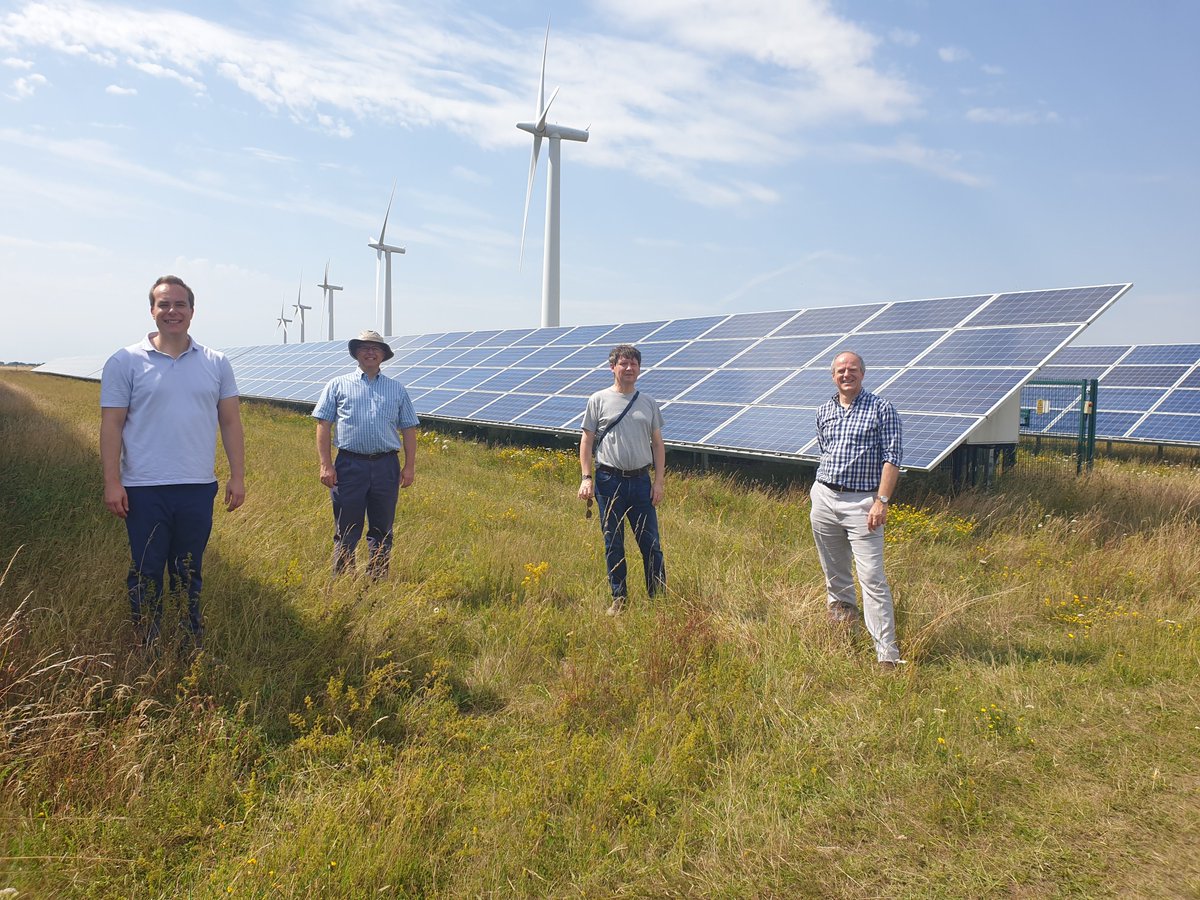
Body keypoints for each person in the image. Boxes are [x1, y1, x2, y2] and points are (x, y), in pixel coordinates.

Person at [100, 275, 246, 651]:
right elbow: (112, 424)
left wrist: (237, 476)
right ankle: (147, 641)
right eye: (164, 304)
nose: (172, 311)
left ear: (192, 312)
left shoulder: (216, 363)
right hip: (143, 488)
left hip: (197, 486)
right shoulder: (124, 361)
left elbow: (230, 421)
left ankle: (187, 641)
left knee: (188, 569)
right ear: (152, 311)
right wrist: (112, 482)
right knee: (147, 570)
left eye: (179, 304)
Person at [809, 350, 904, 670]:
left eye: (852, 369)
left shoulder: (881, 409)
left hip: (863, 503)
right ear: (832, 375)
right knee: (834, 575)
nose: (845, 374)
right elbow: (826, 450)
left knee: (872, 578)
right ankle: (841, 636)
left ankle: (886, 654)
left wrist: (882, 500)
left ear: (862, 373)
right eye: (839, 370)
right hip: (824, 498)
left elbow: (892, 457)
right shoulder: (823, 410)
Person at [312, 330, 418, 579]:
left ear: (383, 356)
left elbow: (409, 429)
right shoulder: (337, 385)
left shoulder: (397, 389)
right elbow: (323, 425)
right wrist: (325, 465)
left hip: (386, 466)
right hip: (349, 464)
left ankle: (377, 579)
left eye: (376, 348)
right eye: (364, 348)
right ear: (356, 354)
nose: (370, 352)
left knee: (382, 527)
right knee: (347, 525)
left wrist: (409, 466)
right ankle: (343, 577)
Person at [578, 344, 666, 615]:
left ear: (639, 369)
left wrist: (659, 481)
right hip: (608, 481)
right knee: (613, 542)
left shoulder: (648, 402)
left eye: (634, 364)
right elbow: (587, 439)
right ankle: (619, 599)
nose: (629, 369)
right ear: (613, 367)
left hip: (640, 482)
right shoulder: (598, 399)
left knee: (651, 544)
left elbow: (658, 444)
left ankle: (658, 599)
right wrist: (586, 477)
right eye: (624, 364)